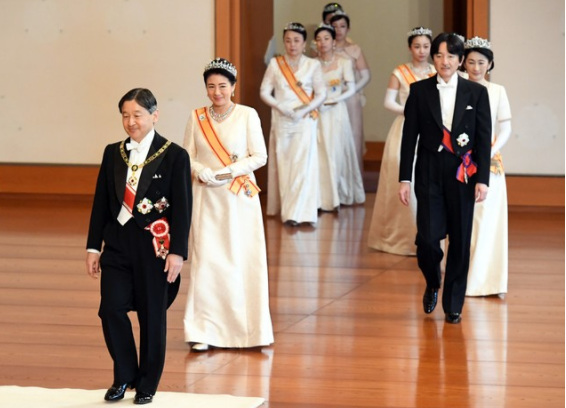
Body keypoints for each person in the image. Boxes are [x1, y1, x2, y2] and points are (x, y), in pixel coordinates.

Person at [86, 88, 192, 404]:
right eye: (125, 115)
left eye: (137, 115)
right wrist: (93, 247)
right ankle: (124, 375)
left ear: (154, 116)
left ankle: (147, 383)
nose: (131, 122)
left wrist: (178, 252)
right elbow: (101, 203)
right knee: (111, 309)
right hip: (117, 244)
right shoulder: (112, 153)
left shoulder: (174, 156)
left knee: (151, 316)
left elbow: (183, 209)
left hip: (155, 247)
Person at [398, 33, 492, 324]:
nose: (445, 61)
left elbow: (483, 138)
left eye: (451, 56)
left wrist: (483, 179)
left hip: (463, 173)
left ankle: (453, 304)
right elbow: (408, 137)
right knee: (427, 239)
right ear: (434, 59)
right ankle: (432, 281)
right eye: (439, 55)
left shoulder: (476, 93)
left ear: (460, 60)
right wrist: (404, 178)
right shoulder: (419, 90)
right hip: (428, 170)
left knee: (460, 240)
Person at [182, 58, 274, 351]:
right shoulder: (197, 117)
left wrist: (228, 172)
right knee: (207, 260)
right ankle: (203, 331)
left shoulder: (247, 115)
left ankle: (247, 331)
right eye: (211, 86)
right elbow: (187, 156)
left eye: (222, 86)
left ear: (233, 86)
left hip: (238, 197)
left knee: (240, 259)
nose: (217, 92)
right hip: (206, 196)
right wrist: (201, 170)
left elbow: (260, 156)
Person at [367, 27, 436, 255]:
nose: (421, 51)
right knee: (403, 176)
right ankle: (399, 237)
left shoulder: (436, 71)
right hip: (405, 126)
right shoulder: (400, 72)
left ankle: (426, 235)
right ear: (409, 48)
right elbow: (388, 102)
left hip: (431, 129)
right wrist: (410, 112)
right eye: (417, 46)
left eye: (426, 46)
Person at [260, 22, 326, 226]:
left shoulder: (313, 65)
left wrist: (304, 110)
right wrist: (280, 106)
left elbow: (322, 93)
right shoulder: (275, 64)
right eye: (288, 40)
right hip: (282, 120)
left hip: (305, 121)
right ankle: (288, 210)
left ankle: (299, 213)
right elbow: (264, 92)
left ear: (304, 43)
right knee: (285, 164)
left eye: (296, 40)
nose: (292, 45)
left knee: (302, 165)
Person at [462, 37, 512, 297]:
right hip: (460, 160)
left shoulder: (497, 91)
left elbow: (506, 128)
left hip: (489, 161)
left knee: (486, 218)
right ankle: (460, 275)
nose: (476, 67)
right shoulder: (456, 87)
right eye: (471, 62)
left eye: (481, 62)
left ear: (490, 64)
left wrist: (489, 150)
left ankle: (485, 279)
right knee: (463, 218)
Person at [314, 24, 365, 210]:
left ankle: (339, 194)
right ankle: (321, 197)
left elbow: (351, 87)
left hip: (337, 110)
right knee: (320, 153)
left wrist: (335, 99)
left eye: (326, 38)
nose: (323, 43)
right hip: (318, 112)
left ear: (333, 41)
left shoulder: (343, 62)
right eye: (319, 39)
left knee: (336, 151)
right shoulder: (312, 63)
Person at [330, 10, 371, 173]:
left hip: (350, 99)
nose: (338, 30)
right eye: (335, 26)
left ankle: (353, 178)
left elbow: (366, 76)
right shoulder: (324, 48)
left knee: (353, 136)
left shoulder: (354, 49)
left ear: (348, 29)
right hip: (329, 99)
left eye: (342, 26)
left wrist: (352, 90)